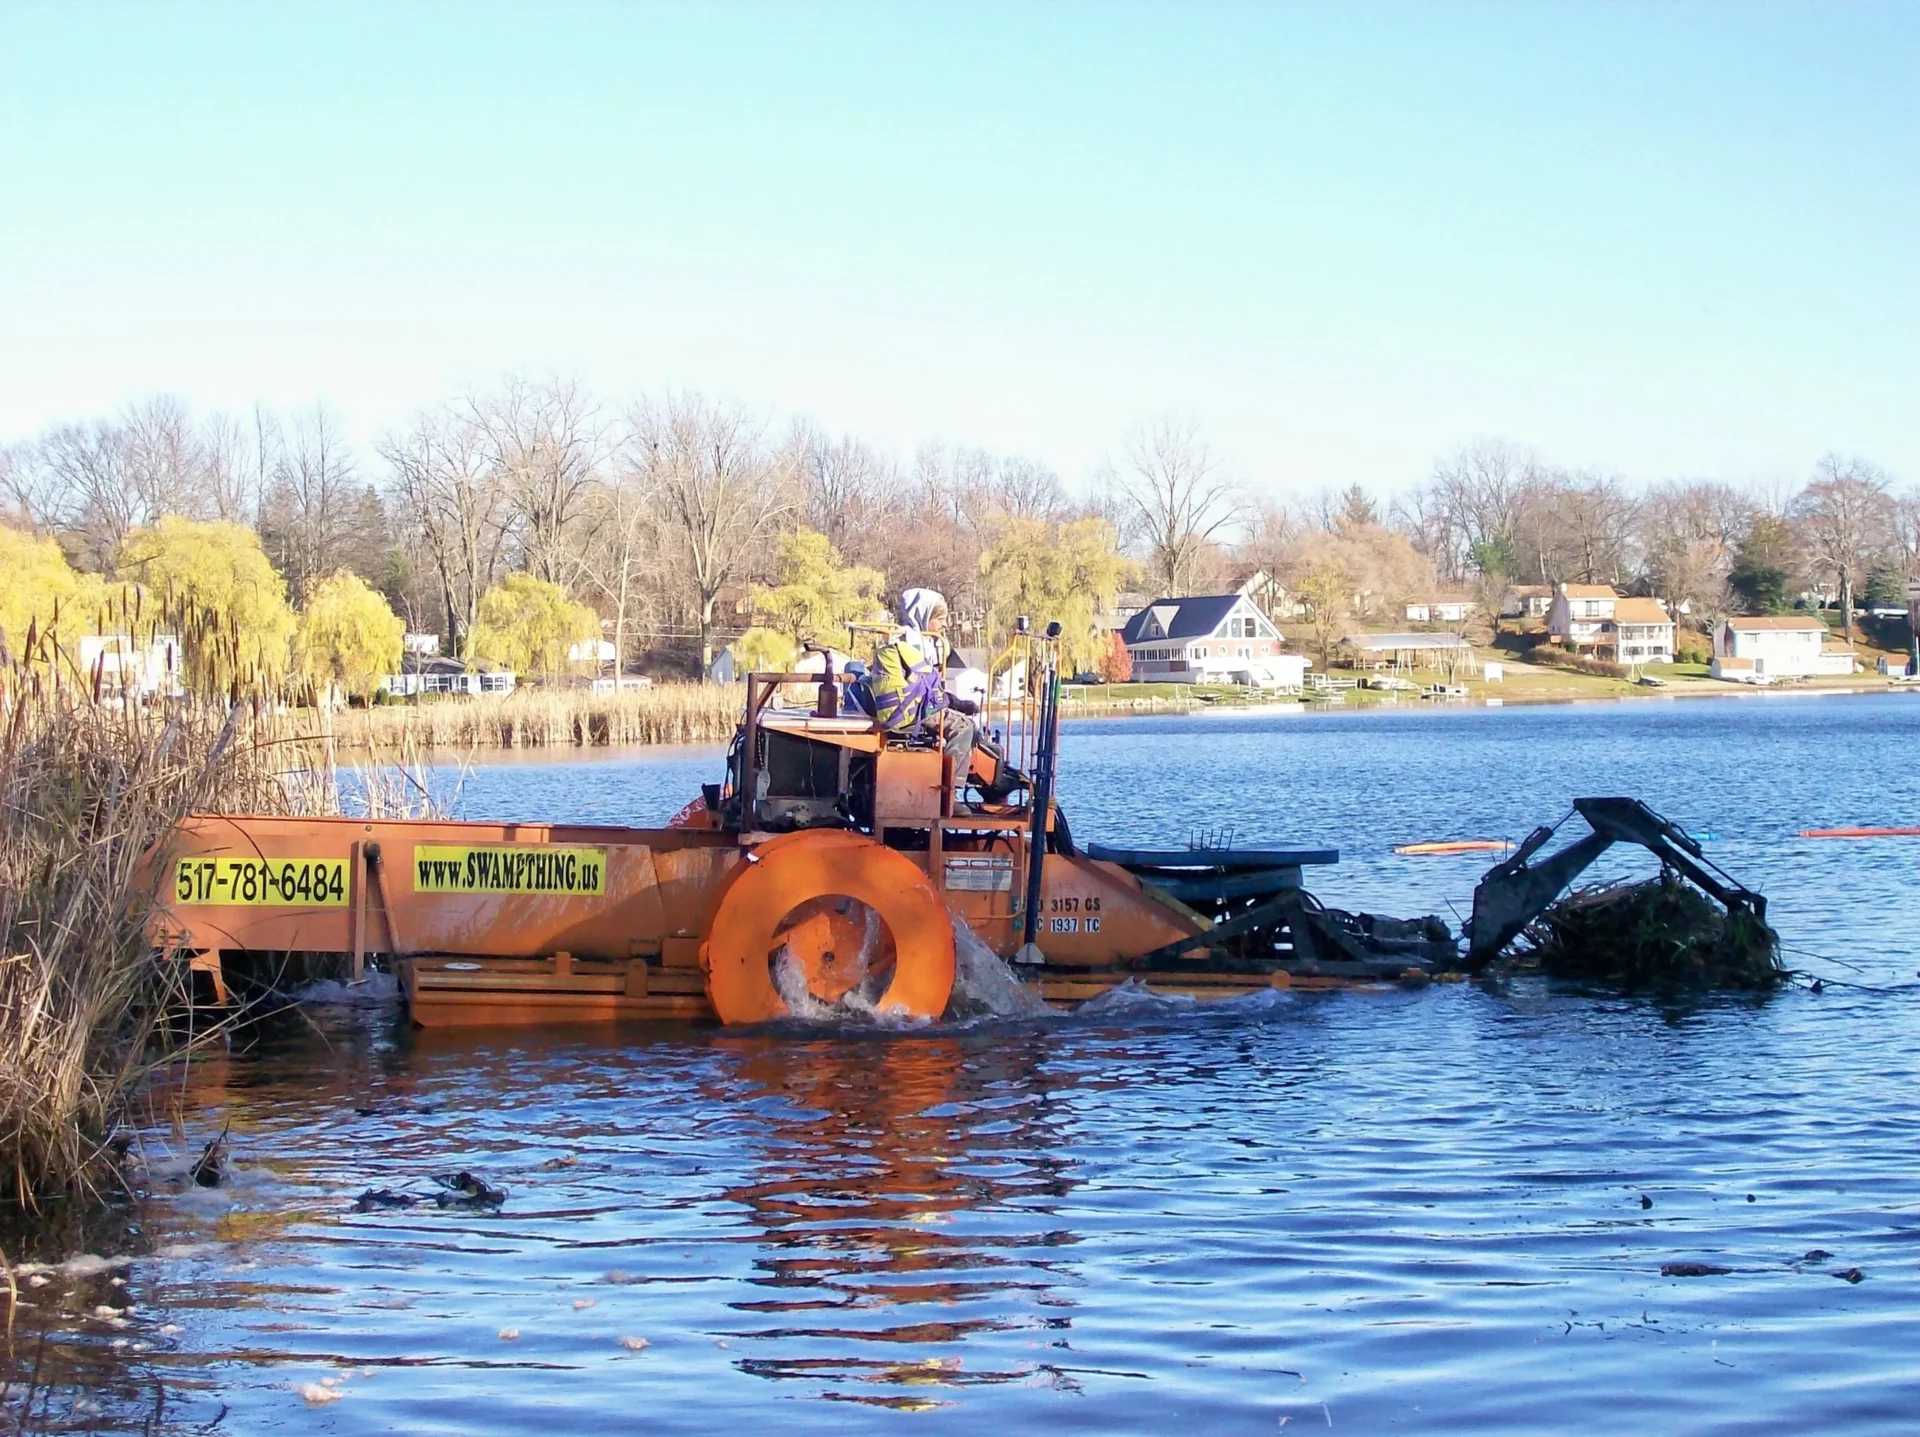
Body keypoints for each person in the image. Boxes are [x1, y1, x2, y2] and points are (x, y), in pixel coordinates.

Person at [861, 589, 980, 787]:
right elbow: (923, 690)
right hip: (913, 709)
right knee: (963, 727)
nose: (945, 625)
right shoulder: (912, 643)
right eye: (940, 618)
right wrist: (955, 703)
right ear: (924, 616)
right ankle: (950, 791)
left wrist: (955, 703)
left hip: (916, 704)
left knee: (970, 726)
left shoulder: (920, 641)